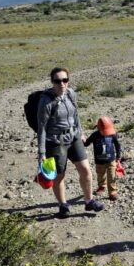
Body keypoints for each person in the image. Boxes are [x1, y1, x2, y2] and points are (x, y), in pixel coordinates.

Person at [37, 67, 104, 217]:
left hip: (73, 137)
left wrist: (80, 132)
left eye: (65, 80)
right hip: (55, 142)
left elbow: (76, 114)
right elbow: (41, 128)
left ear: (68, 80)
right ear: (52, 82)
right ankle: (63, 205)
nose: (62, 84)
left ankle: (89, 202)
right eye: (57, 81)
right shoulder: (46, 101)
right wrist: (41, 152)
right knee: (59, 176)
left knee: (86, 170)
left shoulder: (71, 94)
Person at [84, 116, 122, 201]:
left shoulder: (112, 134)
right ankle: (102, 186)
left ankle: (112, 191)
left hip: (111, 160)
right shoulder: (94, 135)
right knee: (100, 174)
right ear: (98, 128)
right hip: (99, 161)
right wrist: (81, 140)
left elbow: (117, 145)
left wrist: (118, 156)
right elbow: (86, 143)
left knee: (112, 176)